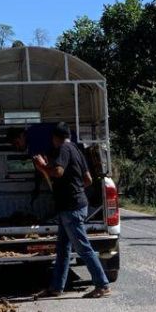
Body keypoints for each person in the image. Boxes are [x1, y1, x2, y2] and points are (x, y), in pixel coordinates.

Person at [34, 122, 111, 299]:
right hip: (75, 205)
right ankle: (56, 287)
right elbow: (88, 179)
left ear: (55, 138)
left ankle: (102, 284)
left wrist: (42, 166)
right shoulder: (77, 150)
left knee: (83, 248)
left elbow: (58, 172)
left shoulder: (63, 149)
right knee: (62, 249)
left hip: (71, 208)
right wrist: (75, 190)